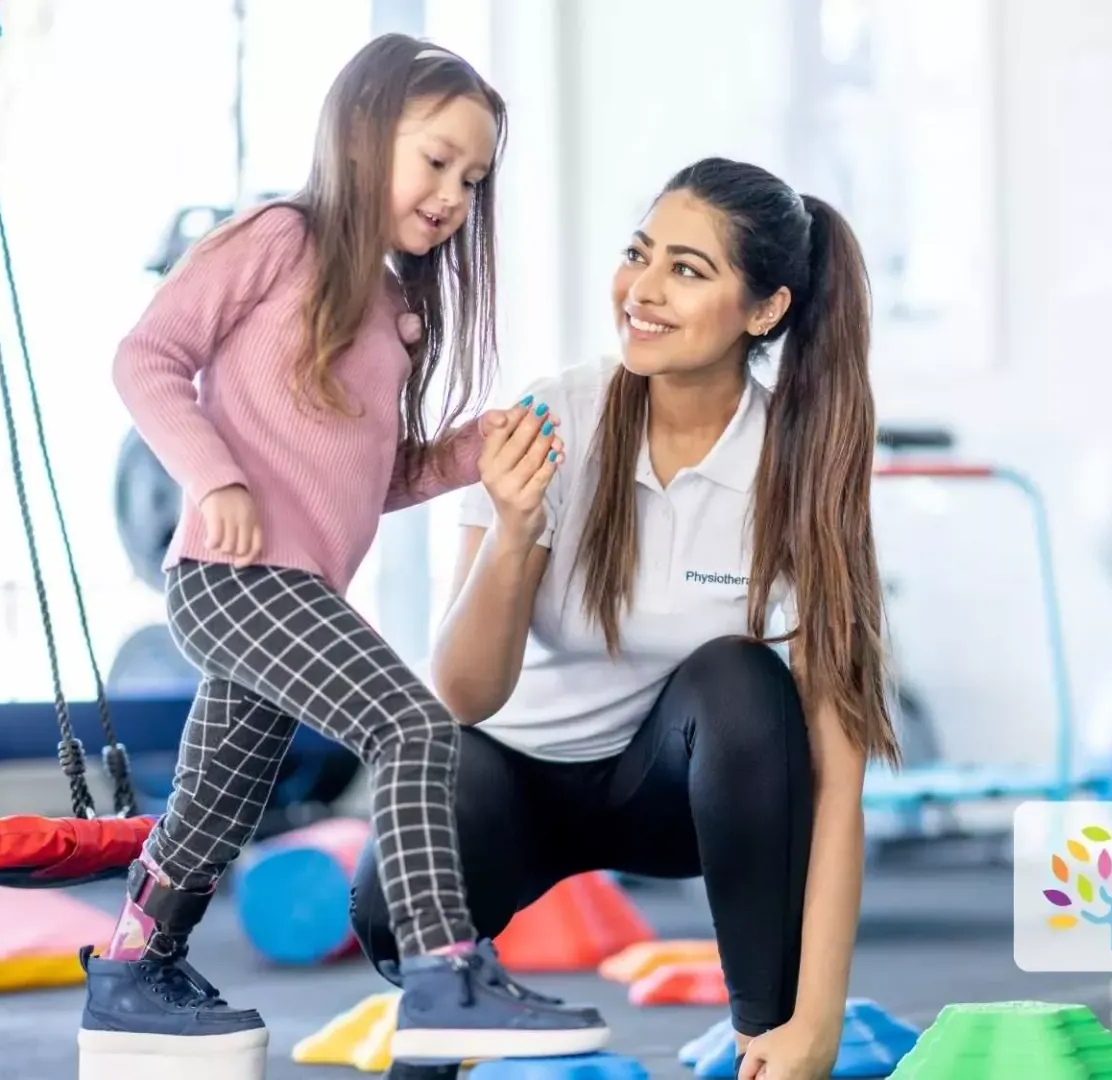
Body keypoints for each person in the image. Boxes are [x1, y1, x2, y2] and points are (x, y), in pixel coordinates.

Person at [80, 34, 607, 1080]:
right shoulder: (280, 237)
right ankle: (446, 974)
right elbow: (147, 356)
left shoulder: (394, 310)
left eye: (474, 177)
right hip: (234, 578)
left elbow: (375, 477)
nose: (454, 192)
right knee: (412, 724)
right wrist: (213, 477)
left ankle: (135, 965)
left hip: (294, 589)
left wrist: (468, 451)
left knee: (216, 799)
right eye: (438, 159)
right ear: (365, 133)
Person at [349, 157, 900, 1080]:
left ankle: (761, 1046)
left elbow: (836, 780)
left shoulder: (797, 470)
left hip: (677, 800)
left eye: (688, 270)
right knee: (383, 899)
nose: (641, 290)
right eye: (639, 254)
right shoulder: (552, 417)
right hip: (514, 781)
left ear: (764, 310)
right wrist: (517, 529)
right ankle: (439, 1039)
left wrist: (816, 1021)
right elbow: (465, 693)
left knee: (740, 679)